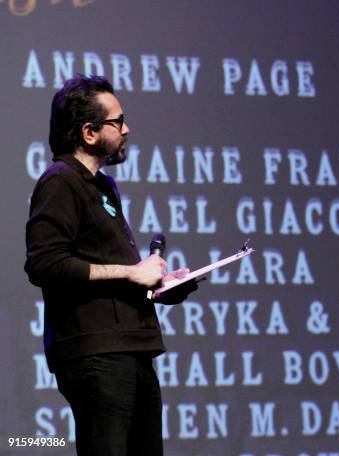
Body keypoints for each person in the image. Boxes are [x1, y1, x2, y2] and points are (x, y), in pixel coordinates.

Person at [25, 75, 196, 455]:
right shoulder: (60, 182)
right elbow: (46, 264)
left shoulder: (103, 186)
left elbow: (109, 270)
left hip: (130, 349)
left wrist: (157, 284)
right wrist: (132, 272)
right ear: (89, 132)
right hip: (97, 355)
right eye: (117, 122)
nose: (127, 129)